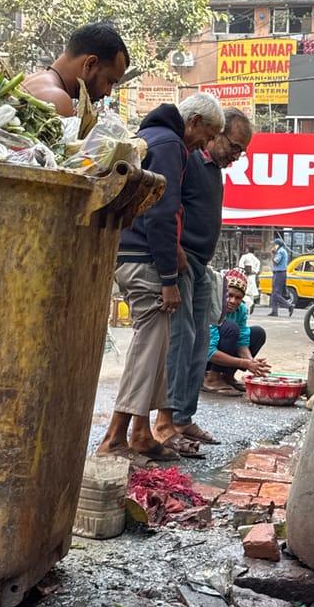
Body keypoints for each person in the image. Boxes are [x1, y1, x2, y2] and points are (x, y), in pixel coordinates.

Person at [96, 92, 225, 461]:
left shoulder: (154, 136)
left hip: (131, 253)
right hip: (143, 257)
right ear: (194, 122)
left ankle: (140, 433)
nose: (204, 145)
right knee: (149, 348)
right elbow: (161, 214)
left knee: (157, 348)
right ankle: (115, 438)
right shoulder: (169, 144)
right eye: (207, 135)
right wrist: (168, 280)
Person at [151, 108, 253, 450]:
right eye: (234, 147)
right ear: (216, 133)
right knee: (181, 342)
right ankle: (165, 423)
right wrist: (175, 250)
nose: (236, 156)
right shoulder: (189, 158)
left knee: (199, 344)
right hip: (183, 261)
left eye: (241, 152)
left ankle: (183, 418)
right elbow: (167, 207)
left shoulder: (214, 170)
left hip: (200, 265)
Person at [24, 22, 129, 117]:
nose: (108, 93)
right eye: (109, 82)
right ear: (90, 64)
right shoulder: (56, 99)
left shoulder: (28, 80)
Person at [202, 268, 270, 395]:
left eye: (238, 298)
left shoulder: (241, 309)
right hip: (202, 360)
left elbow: (242, 341)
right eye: (229, 295)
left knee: (258, 333)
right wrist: (244, 363)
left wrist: (251, 362)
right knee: (231, 328)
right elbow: (209, 352)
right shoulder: (212, 308)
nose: (233, 301)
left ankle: (227, 377)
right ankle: (211, 378)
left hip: (222, 353)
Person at [269, 238, 293, 317]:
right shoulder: (282, 251)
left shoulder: (280, 252)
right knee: (274, 293)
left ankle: (288, 305)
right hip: (279, 273)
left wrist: (272, 254)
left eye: (274, 244)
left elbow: (275, 262)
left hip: (279, 273)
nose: (272, 246)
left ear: (277, 245)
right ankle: (274, 311)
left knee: (276, 293)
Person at [238, 245, 260, 311]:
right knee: (251, 293)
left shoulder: (244, 256)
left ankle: (250, 304)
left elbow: (241, 265)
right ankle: (250, 307)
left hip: (246, 276)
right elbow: (257, 270)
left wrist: (243, 271)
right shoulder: (256, 259)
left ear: (247, 250)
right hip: (252, 277)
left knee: (242, 291)